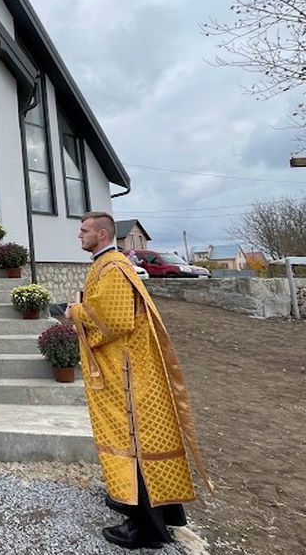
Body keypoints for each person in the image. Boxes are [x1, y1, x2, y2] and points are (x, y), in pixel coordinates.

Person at [65, 211, 211, 549]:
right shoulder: (107, 263)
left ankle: (145, 527)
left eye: (84, 230)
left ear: (102, 234)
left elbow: (115, 322)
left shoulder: (113, 267)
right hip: (126, 368)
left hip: (127, 373)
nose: (79, 235)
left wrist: (76, 312)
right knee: (140, 442)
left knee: (134, 441)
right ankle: (157, 515)